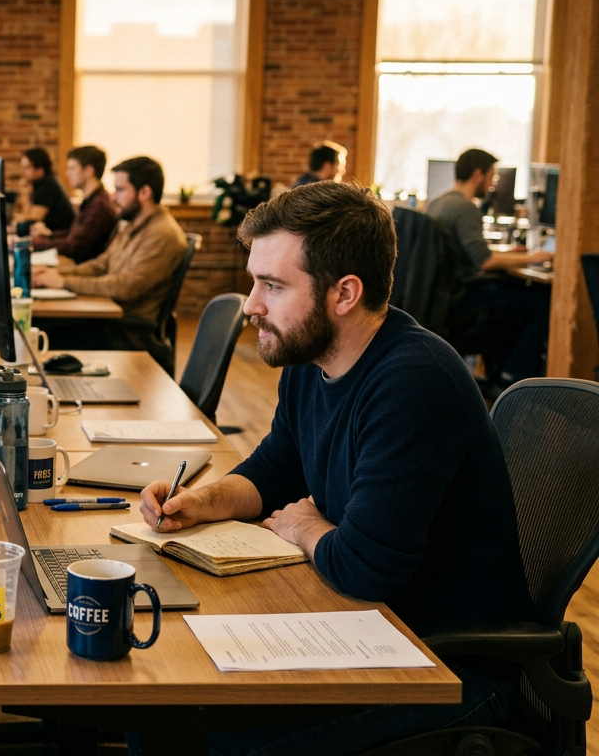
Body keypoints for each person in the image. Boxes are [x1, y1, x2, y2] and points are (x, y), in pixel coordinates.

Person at [137, 182, 531, 755]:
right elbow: (276, 469)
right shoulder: (312, 357)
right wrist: (203, 501)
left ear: (344, 293)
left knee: (188, 736)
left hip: (443, 666)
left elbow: (365, 567)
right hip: (364, 631)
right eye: (255, 282)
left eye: (273, 286)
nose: (252, 304)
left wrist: (303, 527)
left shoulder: (413, 381)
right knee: (161, 709)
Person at [31, 156, 187, 352]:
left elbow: (126, 287)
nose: (113, 197)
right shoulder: (132, 223)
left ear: (144, 192)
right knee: (38, 325)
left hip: (126, 333)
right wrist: (54, 275)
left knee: (40, 332)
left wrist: (64, 282)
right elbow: (100, 265)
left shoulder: (162, 234)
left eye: (120, 190)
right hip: (109, 320)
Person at [426, 147, 552, 386]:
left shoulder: (438, 202)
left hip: (445, 295)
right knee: (543, 303)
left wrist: (513, 254)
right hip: (466, 296)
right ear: (478, 175)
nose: (493, 183)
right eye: (492, 176)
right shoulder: (466, 207)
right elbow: (485, 261)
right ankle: (514, 374)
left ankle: (504, 371)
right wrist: (535, 258)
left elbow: (472, 252)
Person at [29, 144, 117, 264]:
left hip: (81, 268)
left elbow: (74, 246)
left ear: (89, 171)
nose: (67, 173)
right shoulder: (92, 200)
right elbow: (73, 234)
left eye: (72, 168)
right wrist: (49, 235)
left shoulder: (99, 206)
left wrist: (35, 243)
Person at [15, 147, 74, 236]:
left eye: (27, 167)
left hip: (60, 237)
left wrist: (25, 194)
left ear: (40, 169)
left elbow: (32, 220)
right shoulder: (39, 184)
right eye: (22, 167)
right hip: (52, 235)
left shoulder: (48, 185)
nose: (23, 172)